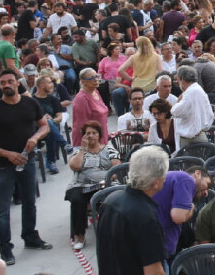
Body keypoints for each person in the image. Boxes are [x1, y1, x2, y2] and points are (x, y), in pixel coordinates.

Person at [0, 69, 50, 265]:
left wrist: (35, 137)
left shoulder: (30, 103)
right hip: (3, 166)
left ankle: (30, 237)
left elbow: (44, 126)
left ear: (18, 82)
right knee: (2, 210)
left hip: (27, 161)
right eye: (2, 83)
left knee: (30, 202)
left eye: (10, 81)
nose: (6, 85)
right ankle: (5, 248)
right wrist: (7, 154)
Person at [97, 146, 168, 275]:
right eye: (164, 175)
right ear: (156, 182)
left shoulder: (111, 200)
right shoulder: (146, 216)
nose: (165, 178)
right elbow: (154, 272)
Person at [65, 120, 121, 251]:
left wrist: (105, 179)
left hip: (105, 183)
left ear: (99, 135)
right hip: (81, 185)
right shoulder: (78, 151)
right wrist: (83, 149)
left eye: (94, 133)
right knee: (77, 199)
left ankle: (114, 231)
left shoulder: (109, 149)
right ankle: (79, 235)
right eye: (87, 133)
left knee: (115, 196)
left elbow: (116, 170)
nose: (90, 136)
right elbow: (75, 166)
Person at [153, 161, 208, 259]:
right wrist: (192, 207)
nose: (206, 193)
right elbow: (178, 217)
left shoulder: (170, 184)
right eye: (207, 184)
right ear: (197, 174)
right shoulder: (185, 178)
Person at [172, 64, 215, 148]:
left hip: (191, 139)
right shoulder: (198, 89)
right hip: (199, 135)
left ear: (182, 79)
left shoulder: (191, 92)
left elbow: (176, 112)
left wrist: (177, 102)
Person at [70, 68, 109, 146]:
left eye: (96, 76)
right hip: (90, 140)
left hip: (100, 134)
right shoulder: (82, 99)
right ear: (83, 81)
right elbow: (83, 125)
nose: (96, 80)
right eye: (91, 78)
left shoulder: (95, 92)